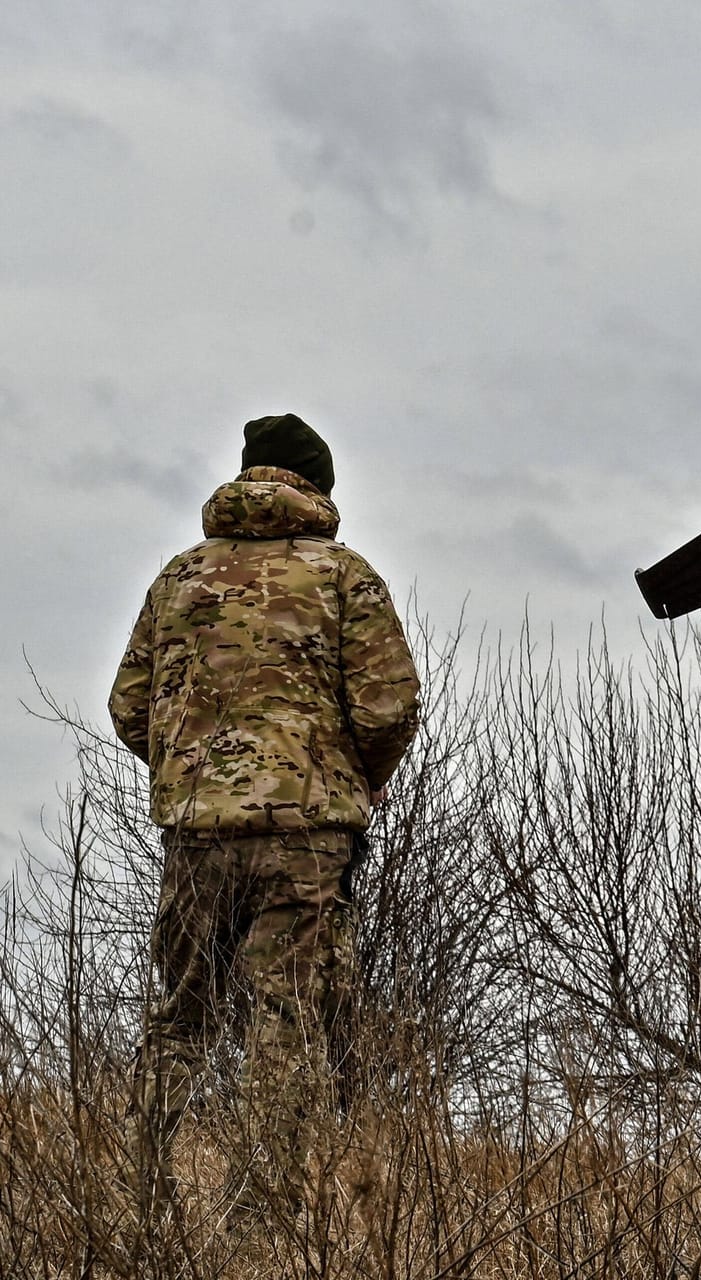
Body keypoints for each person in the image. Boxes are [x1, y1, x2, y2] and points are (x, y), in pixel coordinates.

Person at [108, 414, 419, 1215]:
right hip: (307, 837)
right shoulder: (344, 576)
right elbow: (387, 708)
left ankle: (138, 1199)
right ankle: (260, 1212)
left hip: (197, 837)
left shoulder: (179, 579)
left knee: (180, 1016)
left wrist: (196, 772)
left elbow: (128, 704)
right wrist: (364, 778)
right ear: (318, 485)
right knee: (286, 1016)